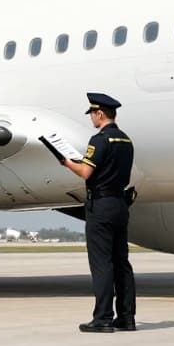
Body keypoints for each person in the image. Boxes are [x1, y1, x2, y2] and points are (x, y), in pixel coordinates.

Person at [58, 92, 137, 333]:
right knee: (121, 263)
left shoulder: (99, 140)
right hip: (120, 204)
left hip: (101, 206)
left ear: (100, 113)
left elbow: (85, 173)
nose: (91, 118)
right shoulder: (126, 140)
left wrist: (67, 162)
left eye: (92, 113)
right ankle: (127, 317)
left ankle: (102, 317)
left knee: (102, 263)